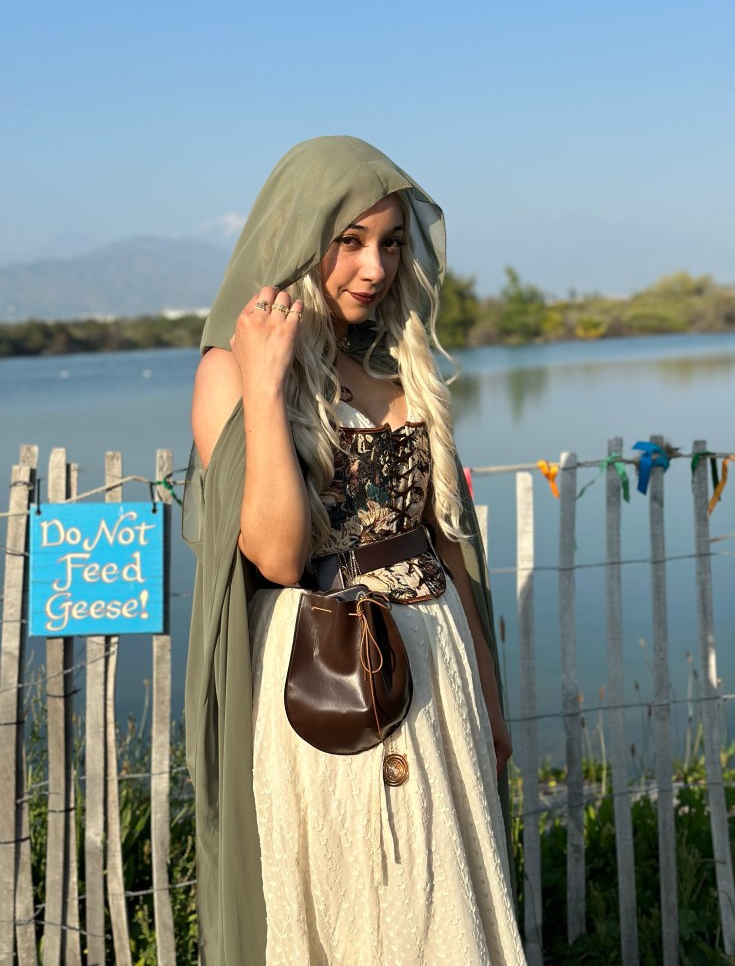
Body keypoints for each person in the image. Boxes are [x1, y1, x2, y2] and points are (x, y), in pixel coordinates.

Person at [183, 136, 527, 966]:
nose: (375, 268)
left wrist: (487, 690)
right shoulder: (231, 372)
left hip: (436, 661)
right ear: (300, 238)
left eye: (392, 244)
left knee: (441, 895)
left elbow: (446, 541)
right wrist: (267, 385)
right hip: (324, 672)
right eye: (350, 241)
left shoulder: (397, 364)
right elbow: (276, 554)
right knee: (358, 894)